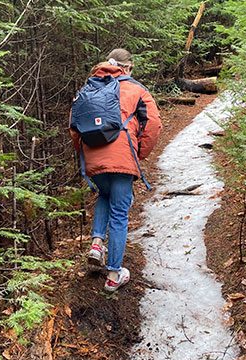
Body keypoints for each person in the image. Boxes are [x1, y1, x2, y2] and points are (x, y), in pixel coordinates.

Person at [69, 49, 162, 292]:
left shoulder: (87, 88)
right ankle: (113, 275)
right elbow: (154, 124)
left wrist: (86, 152)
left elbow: (74, 127)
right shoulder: (136, 89)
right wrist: (138, 154)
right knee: (120, 212)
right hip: (122, 155)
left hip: (93, 155)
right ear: (127, 68)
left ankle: (97, 243)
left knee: (105, 195)